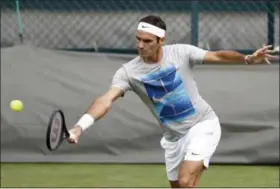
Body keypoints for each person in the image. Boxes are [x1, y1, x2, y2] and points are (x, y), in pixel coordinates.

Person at [67, 15, 278, 188]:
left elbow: (218, 56)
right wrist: (79, 127)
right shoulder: (128, 72)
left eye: (147, 41)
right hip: (173, 138)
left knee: (186, 181)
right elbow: (106, 100)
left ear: (161, 40)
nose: (140, 45)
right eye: (138, 39)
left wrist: (247, 59)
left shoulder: (181, 53)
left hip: (202, 126)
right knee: (181, 186)